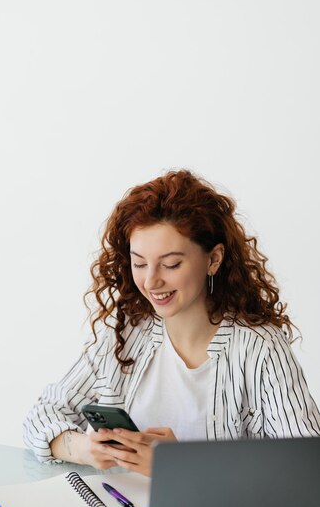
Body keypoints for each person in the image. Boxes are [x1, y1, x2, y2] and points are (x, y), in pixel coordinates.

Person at [23, 169, 320, 476]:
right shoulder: (126, 333)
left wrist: (181, 465)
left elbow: (305, 468)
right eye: (139, 263)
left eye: (171, 264)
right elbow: (41, 416)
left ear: (214, 260)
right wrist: (86, 449)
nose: (151, 281)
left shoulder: (258, 348)